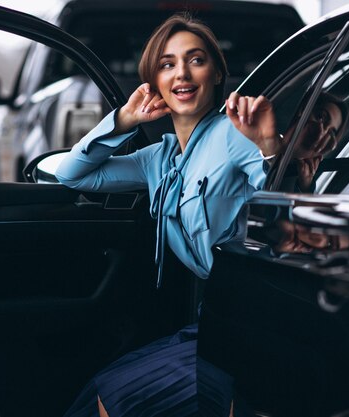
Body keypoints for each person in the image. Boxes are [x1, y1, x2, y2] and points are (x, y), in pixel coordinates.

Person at [55, 13, 282, 417]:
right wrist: (124, 120)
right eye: (167, 64)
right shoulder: (158, 158)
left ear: (215, 74)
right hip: (214, 321)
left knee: (112, 400)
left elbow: (285, 204)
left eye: (196, 60)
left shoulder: (232, 134)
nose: (182, 73)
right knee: (95, 391)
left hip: (255, 321)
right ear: (154, 82)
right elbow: (73, 175)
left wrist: (267, 144)